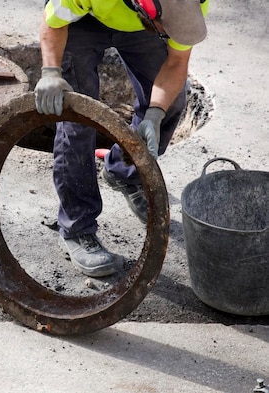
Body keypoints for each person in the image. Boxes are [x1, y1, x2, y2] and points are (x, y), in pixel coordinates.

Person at [34, 0, 208, 277]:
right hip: (83, 18)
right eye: (167, 28)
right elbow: (53, 21)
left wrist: (155, 113)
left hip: (141, 24)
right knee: (75, 117)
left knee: (170, 104)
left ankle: (124, 172)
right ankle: (77, 229)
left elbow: (177, 61)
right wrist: (51, 73)